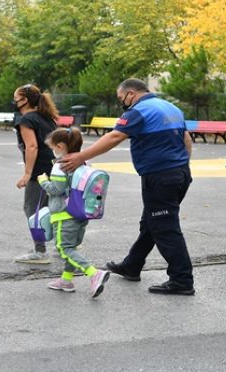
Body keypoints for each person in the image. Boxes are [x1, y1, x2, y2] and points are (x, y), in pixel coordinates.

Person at [61, 78, 195, 295]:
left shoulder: (138, 111)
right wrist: (183, 167)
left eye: (120, 97)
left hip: (160, 176)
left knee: (164, 226)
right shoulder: (170, 108)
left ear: (130, 94)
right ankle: (132, 265)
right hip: (178, 173)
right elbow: (186, 138)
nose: (121, 101)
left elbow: (115, 137)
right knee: (151, 222)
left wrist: (81, 157)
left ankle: (182, 279)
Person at [39, 127, 110, 297]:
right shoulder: (84, 162)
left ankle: (94, 273)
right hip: (80, 214)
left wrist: (43, 181)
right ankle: (66, 280)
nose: (52, 151)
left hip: (64, 215)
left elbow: (56, 189)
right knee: (72, 248)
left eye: (53, 147)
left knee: (64, 249)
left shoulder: (60, 166)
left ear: (61, 146)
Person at [13, 84, 58, 264]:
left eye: (16, 99)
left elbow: (32, 146)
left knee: (33, 210)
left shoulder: (27, 120)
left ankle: (40, 252)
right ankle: (66, 246)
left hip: (40, 171)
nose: (14, 102)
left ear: (25, 100)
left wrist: (27, 174)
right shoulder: (46, 117)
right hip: (54, 168)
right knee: (53, 208)